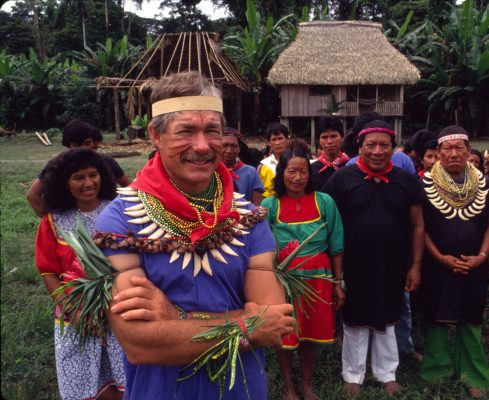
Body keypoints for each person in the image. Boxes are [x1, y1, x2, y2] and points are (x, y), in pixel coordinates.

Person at [94, 72, 296, 399]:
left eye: (211, 131)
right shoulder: (118, 221)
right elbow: (140, 344)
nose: (202, 146)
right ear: (155, 136)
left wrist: (177, 318)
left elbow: (273, 322)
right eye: (186, 131)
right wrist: (245, 325)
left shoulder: (249, 217)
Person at [322, 120, 425, 397]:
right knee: (354, 318)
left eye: (384, 145)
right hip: (353, 263)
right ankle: (353, 374)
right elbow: (328, 221)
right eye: (371, 145)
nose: (378, 151)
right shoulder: (343, 178)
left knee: (388, 316)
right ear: (360, 147)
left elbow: (417, 226)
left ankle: (386, 372)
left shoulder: (406, 180)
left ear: (394, 149)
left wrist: (415, 265)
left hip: (393, 262)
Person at [35, 148, 125, 400]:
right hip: (76, 313)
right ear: (65, 183)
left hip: (119, 308)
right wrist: (73, 313)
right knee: (85, 384)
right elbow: (48, 272)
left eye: (93, 175)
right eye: (78, 178)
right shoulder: (54, 221)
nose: (88, 183)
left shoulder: (119, 212)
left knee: (125, 382)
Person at [418, 125, 489, 398]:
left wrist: (482, 257)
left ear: (468, 150)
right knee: (436, 317)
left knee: (471, 318)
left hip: (474, 266)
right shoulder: (425, 184)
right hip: (437, 264)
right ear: (438, 153)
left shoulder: (483, 184)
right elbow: (419, 228)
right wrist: (440, 257)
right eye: (447, 148)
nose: (454, 153)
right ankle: (436, 370)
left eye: (459, 148)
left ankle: (473, 374)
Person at [262, 140, 345, 400]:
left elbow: (337, 245)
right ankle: (288, 385)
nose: (298, 178)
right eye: (291, 172)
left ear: (310, 174)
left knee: (310, 334)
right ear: (281, 173)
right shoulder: (269, 206)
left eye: (303, 172)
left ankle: (307, 384)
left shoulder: (325, 202)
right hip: (282, 280)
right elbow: (260, 248)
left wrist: (338, 282)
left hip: (317, 278)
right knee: (284, 331)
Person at [27, 119, 131, 216]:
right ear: (68, 146)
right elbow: (33, 195)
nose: (83, 149)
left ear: (95, 143)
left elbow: (130, 189)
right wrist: (53, 223)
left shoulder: (106, 161)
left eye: (87, 143)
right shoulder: (58, 164)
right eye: (77, 145)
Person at [221, 127, 265, 205]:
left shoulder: (251, 172)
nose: (228, 151)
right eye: (224, 145)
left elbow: (257, 206)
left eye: (233, 146)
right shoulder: (209, 171)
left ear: (239, 148)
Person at [310, 116, 349, 189]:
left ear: (342, 138)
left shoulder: (350, 166)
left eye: (333, 136)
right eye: (324, 137)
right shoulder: (312, 169)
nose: (329, 142)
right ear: (319, 141)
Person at [258, 122, 290, 197]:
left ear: (287, 139)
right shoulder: (264, 165)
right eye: (274, 139)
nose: (277, 143)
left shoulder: (296, 161)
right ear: (268, 142)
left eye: (280, 138)